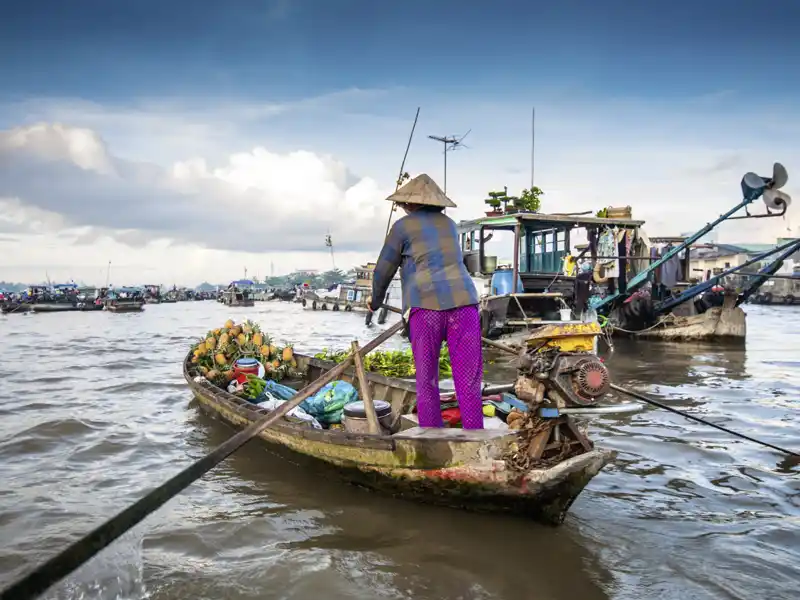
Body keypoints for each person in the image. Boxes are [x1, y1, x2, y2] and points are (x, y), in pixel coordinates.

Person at [369, 174, 483, 429]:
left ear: (410, 204)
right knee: (468, 379)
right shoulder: (451, 225)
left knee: (427, 379)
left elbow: (383, 269)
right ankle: (476, 435)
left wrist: (375, 302)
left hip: (425, 308)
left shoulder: (402, 227)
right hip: (465, 305)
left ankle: (432, 436)